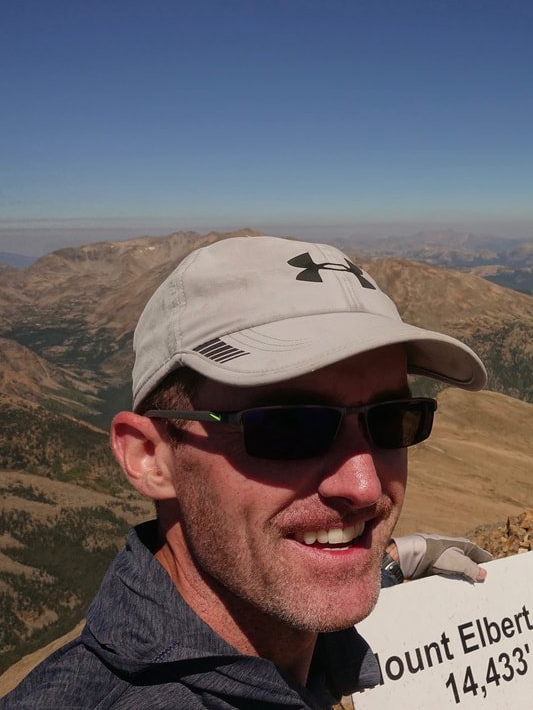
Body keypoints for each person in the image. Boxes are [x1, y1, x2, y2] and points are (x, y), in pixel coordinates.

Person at [3, 235, 493, 708]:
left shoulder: (284, 644)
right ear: (150, 456)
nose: (363, 487)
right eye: (288, 427)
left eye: (393, 421)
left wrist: (386, 568)